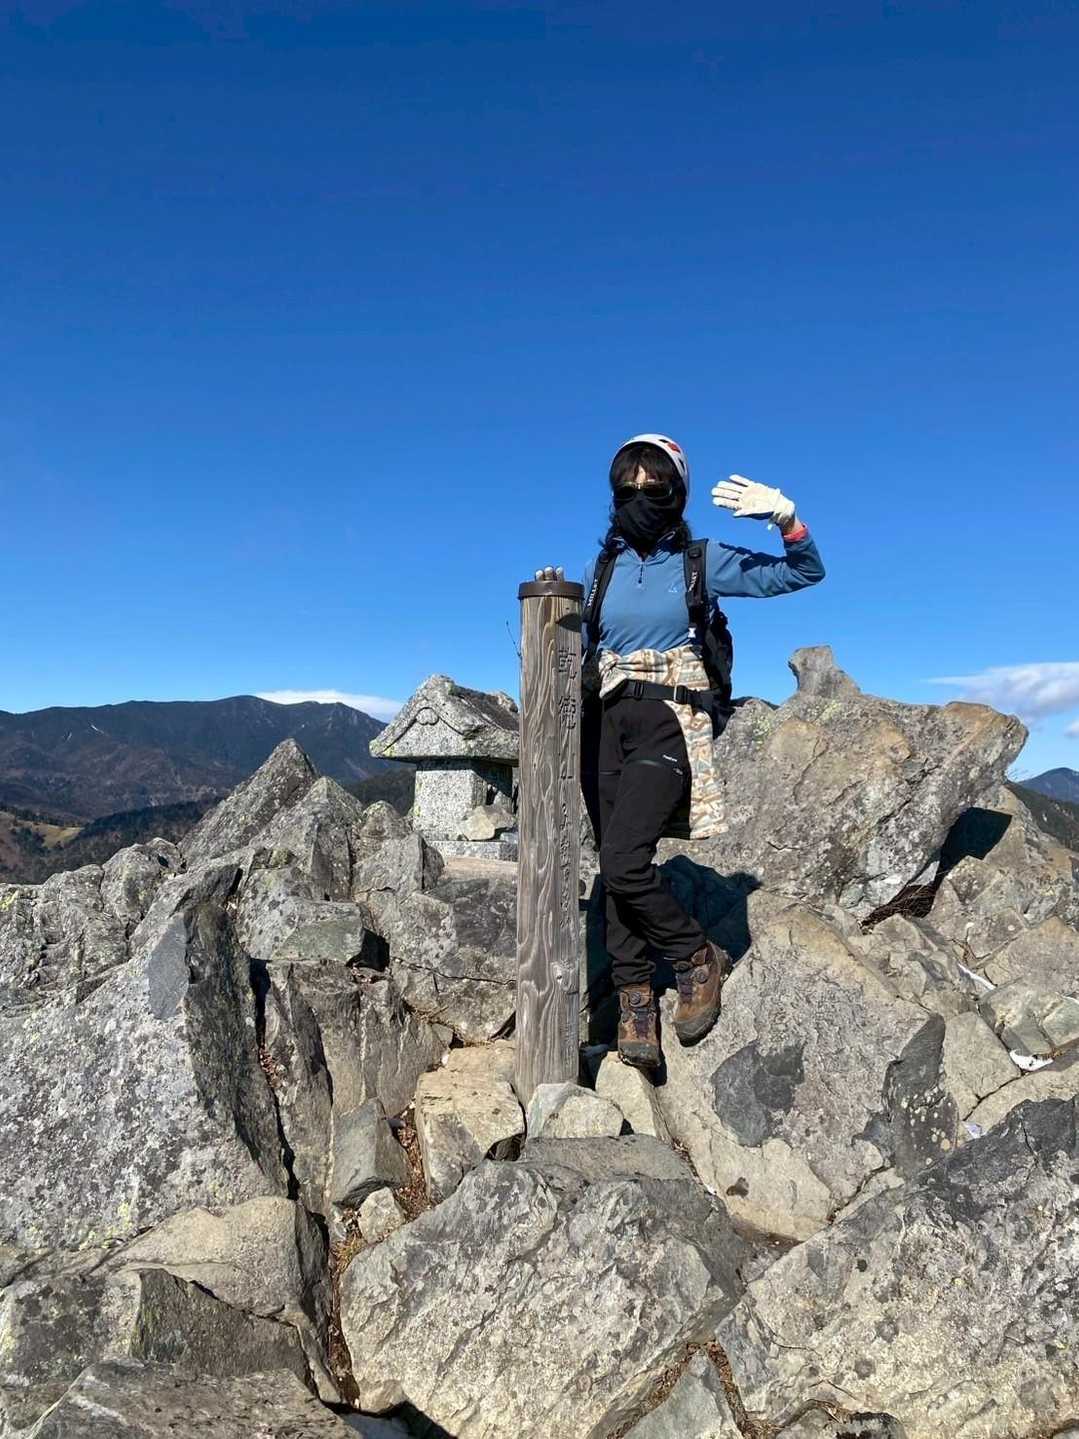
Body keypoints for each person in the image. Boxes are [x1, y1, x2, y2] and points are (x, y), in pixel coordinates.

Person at [536, 434, 825, 1069]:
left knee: (623, 859)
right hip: (603, 723)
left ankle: (695, 957)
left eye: (655, 486)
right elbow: (576, 643)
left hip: (668, 718)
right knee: (617, 865)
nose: (640, 497)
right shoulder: (602, 571)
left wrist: (788, 520)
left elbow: (804, 572)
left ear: (679, 493)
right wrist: (554, 600)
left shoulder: (701, 562)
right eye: (627, 488)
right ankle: (636, 1000)